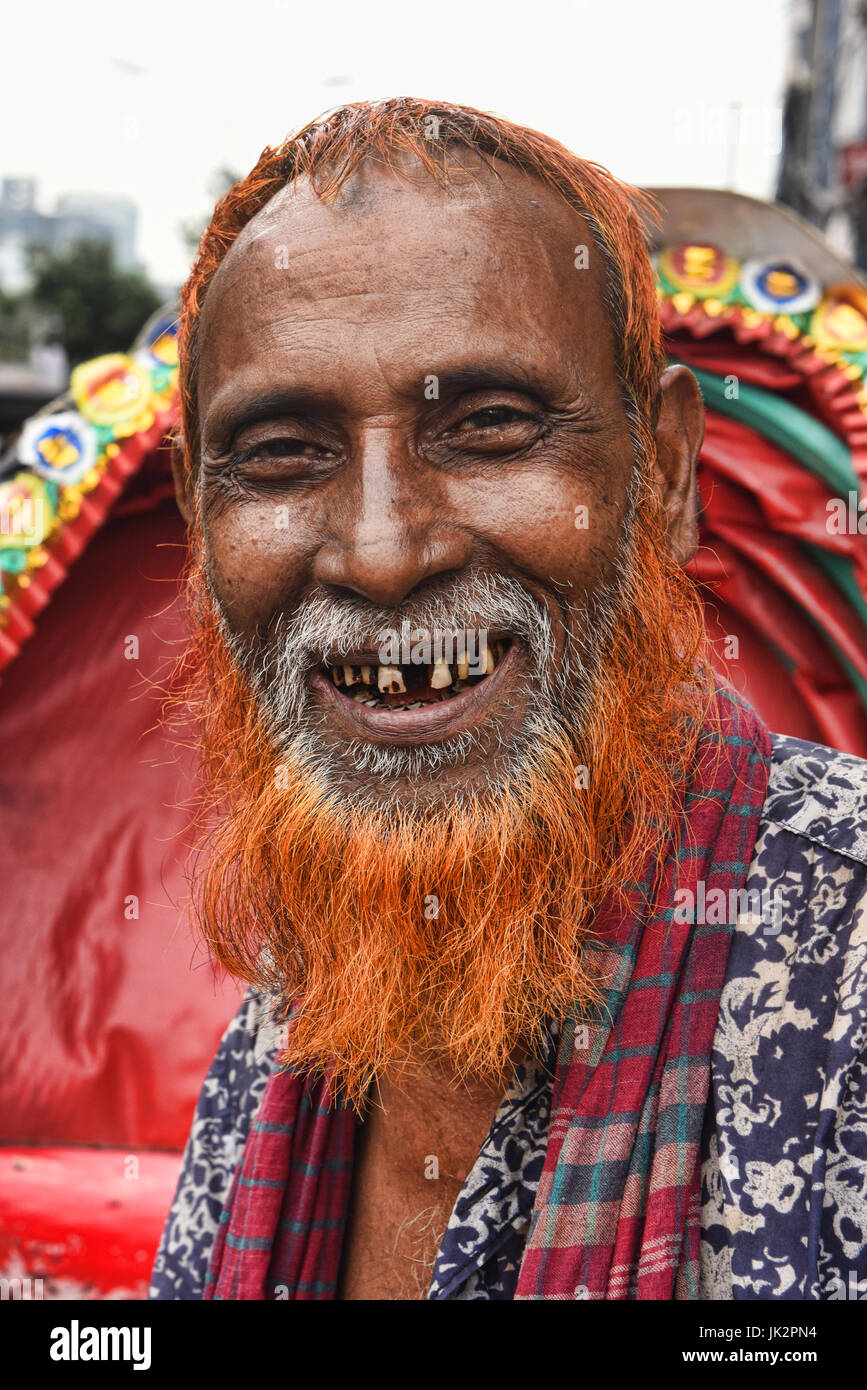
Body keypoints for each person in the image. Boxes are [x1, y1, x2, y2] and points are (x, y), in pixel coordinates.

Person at [149, 97, 867, 1302]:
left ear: (668, 474)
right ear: (196, 516)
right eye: (281, 451)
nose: (381, 552)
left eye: (488, 426)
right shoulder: (288, 1019)